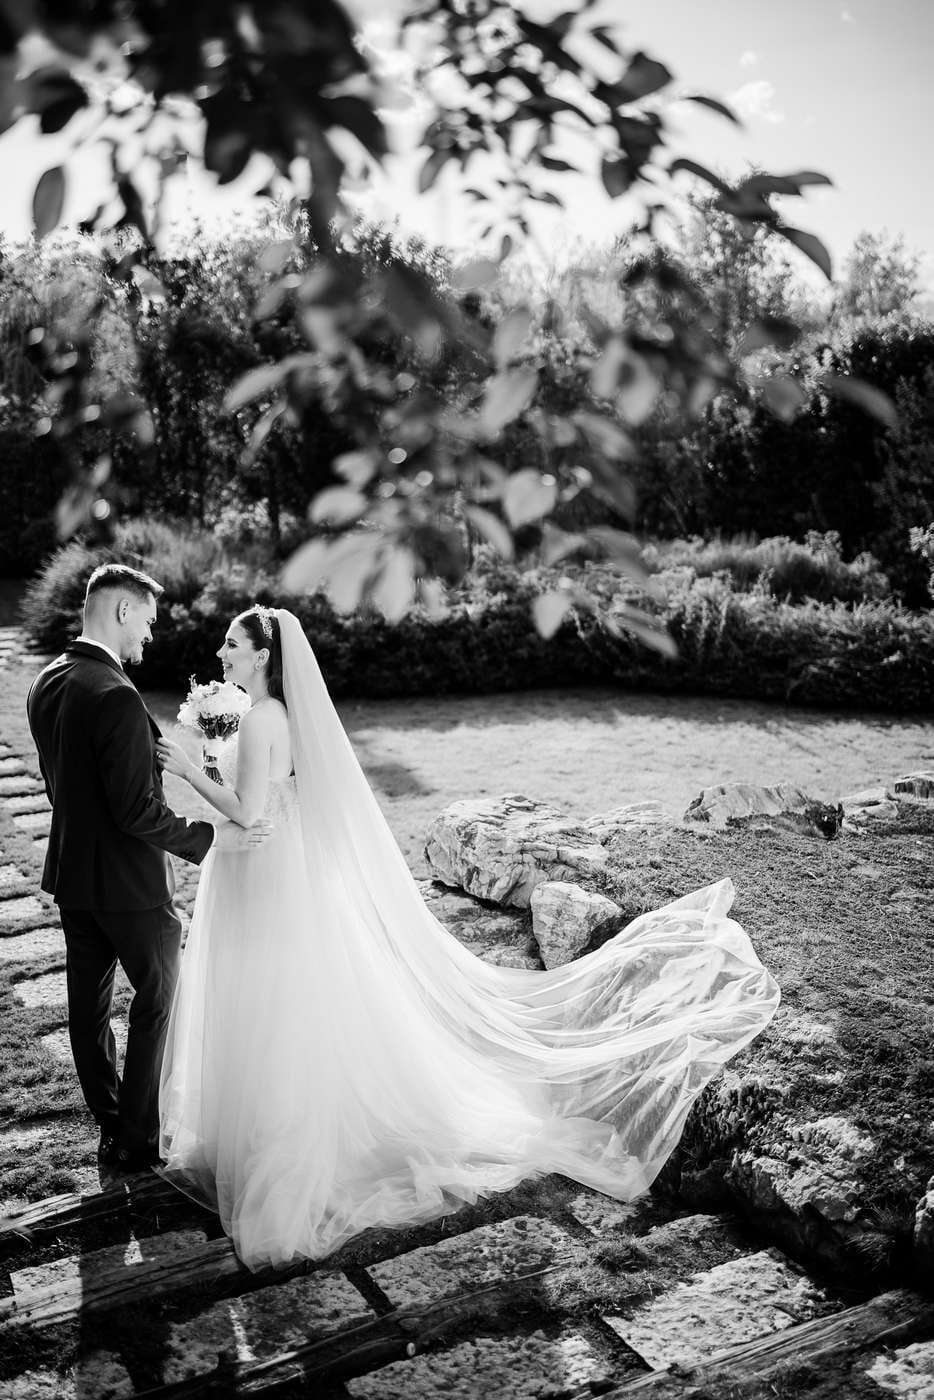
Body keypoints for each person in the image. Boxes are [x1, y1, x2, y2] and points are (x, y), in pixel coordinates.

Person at [156, 605, 780, 1271]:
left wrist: (190, 772)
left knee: (266, 995)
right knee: (281, 995)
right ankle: (265, 1132)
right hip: (274, 865)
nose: (221, 653)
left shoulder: (262, 718)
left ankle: (270, 1143)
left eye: (231, 644)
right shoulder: (274, 715)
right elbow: (272, 797)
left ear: (262, 656)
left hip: (264, 870)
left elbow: (250, 810)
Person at [25, 564, 269, 1176]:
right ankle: (136, 1138)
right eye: (149, 622)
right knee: (159, 1001)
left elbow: (64, 786)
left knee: (88, 1011)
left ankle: (113, 1124)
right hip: (132, 888)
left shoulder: (47, 681)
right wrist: (208, 837)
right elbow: (138, 811)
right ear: (122, 611)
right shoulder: (115, 694)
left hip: (74, 878)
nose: (150, 636)